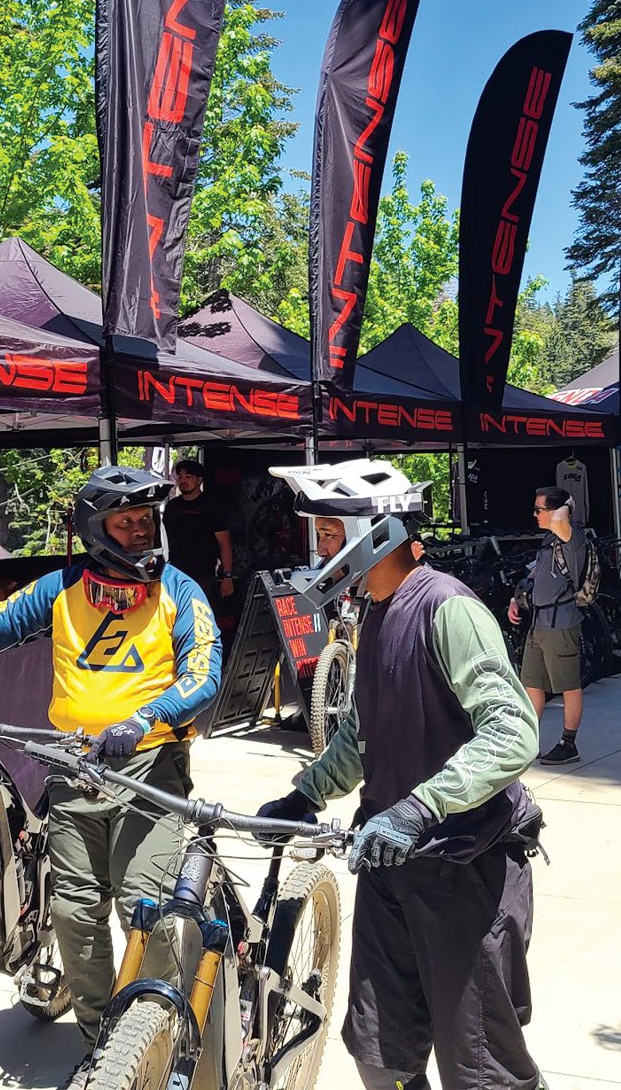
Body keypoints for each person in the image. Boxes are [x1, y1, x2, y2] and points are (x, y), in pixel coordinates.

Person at [0, 464, 222, 1071]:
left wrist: (143, 720)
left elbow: (204, 675)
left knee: (148, 914)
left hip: (152, 770)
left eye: (146, 520)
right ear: (96, 528)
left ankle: (154, 1046)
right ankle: (102, 1051)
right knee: (75, 916)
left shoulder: (181, 592)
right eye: (126, 521)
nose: (141, 531)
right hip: (74, 767)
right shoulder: (61, 587)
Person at [256, 458, 546, 1090]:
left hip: (465, 867)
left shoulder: (448, 608)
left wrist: (419, 808)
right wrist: (303, 794)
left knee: (482, 1071)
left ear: (376, 532)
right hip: (391, 864)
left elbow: (513, 731)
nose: (320, 548)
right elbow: (363, 734)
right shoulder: (375, 613)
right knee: (379, 1051)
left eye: (330, 534)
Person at [508, 485, 588, 767]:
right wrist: (516, 598)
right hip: (539, 623)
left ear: (555, 512)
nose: (535, 514)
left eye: (540, 509)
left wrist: (566, 504)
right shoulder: (548, 540)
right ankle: (528, 743)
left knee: (568, 686)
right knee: (532, 684)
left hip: (561, 623)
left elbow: (560, 518)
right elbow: (535, 577)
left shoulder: (569, 536)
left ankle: (568, 744)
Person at [161, 458, 236, 634]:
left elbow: (224, 543)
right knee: (173, 618)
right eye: (179, 477)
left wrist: (228, 576)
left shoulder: (211, 506)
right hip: (173, 572)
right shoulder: (172, 506)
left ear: (199, 479)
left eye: (188, 476)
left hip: (202, 574)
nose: (183, 481)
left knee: (197, 616)